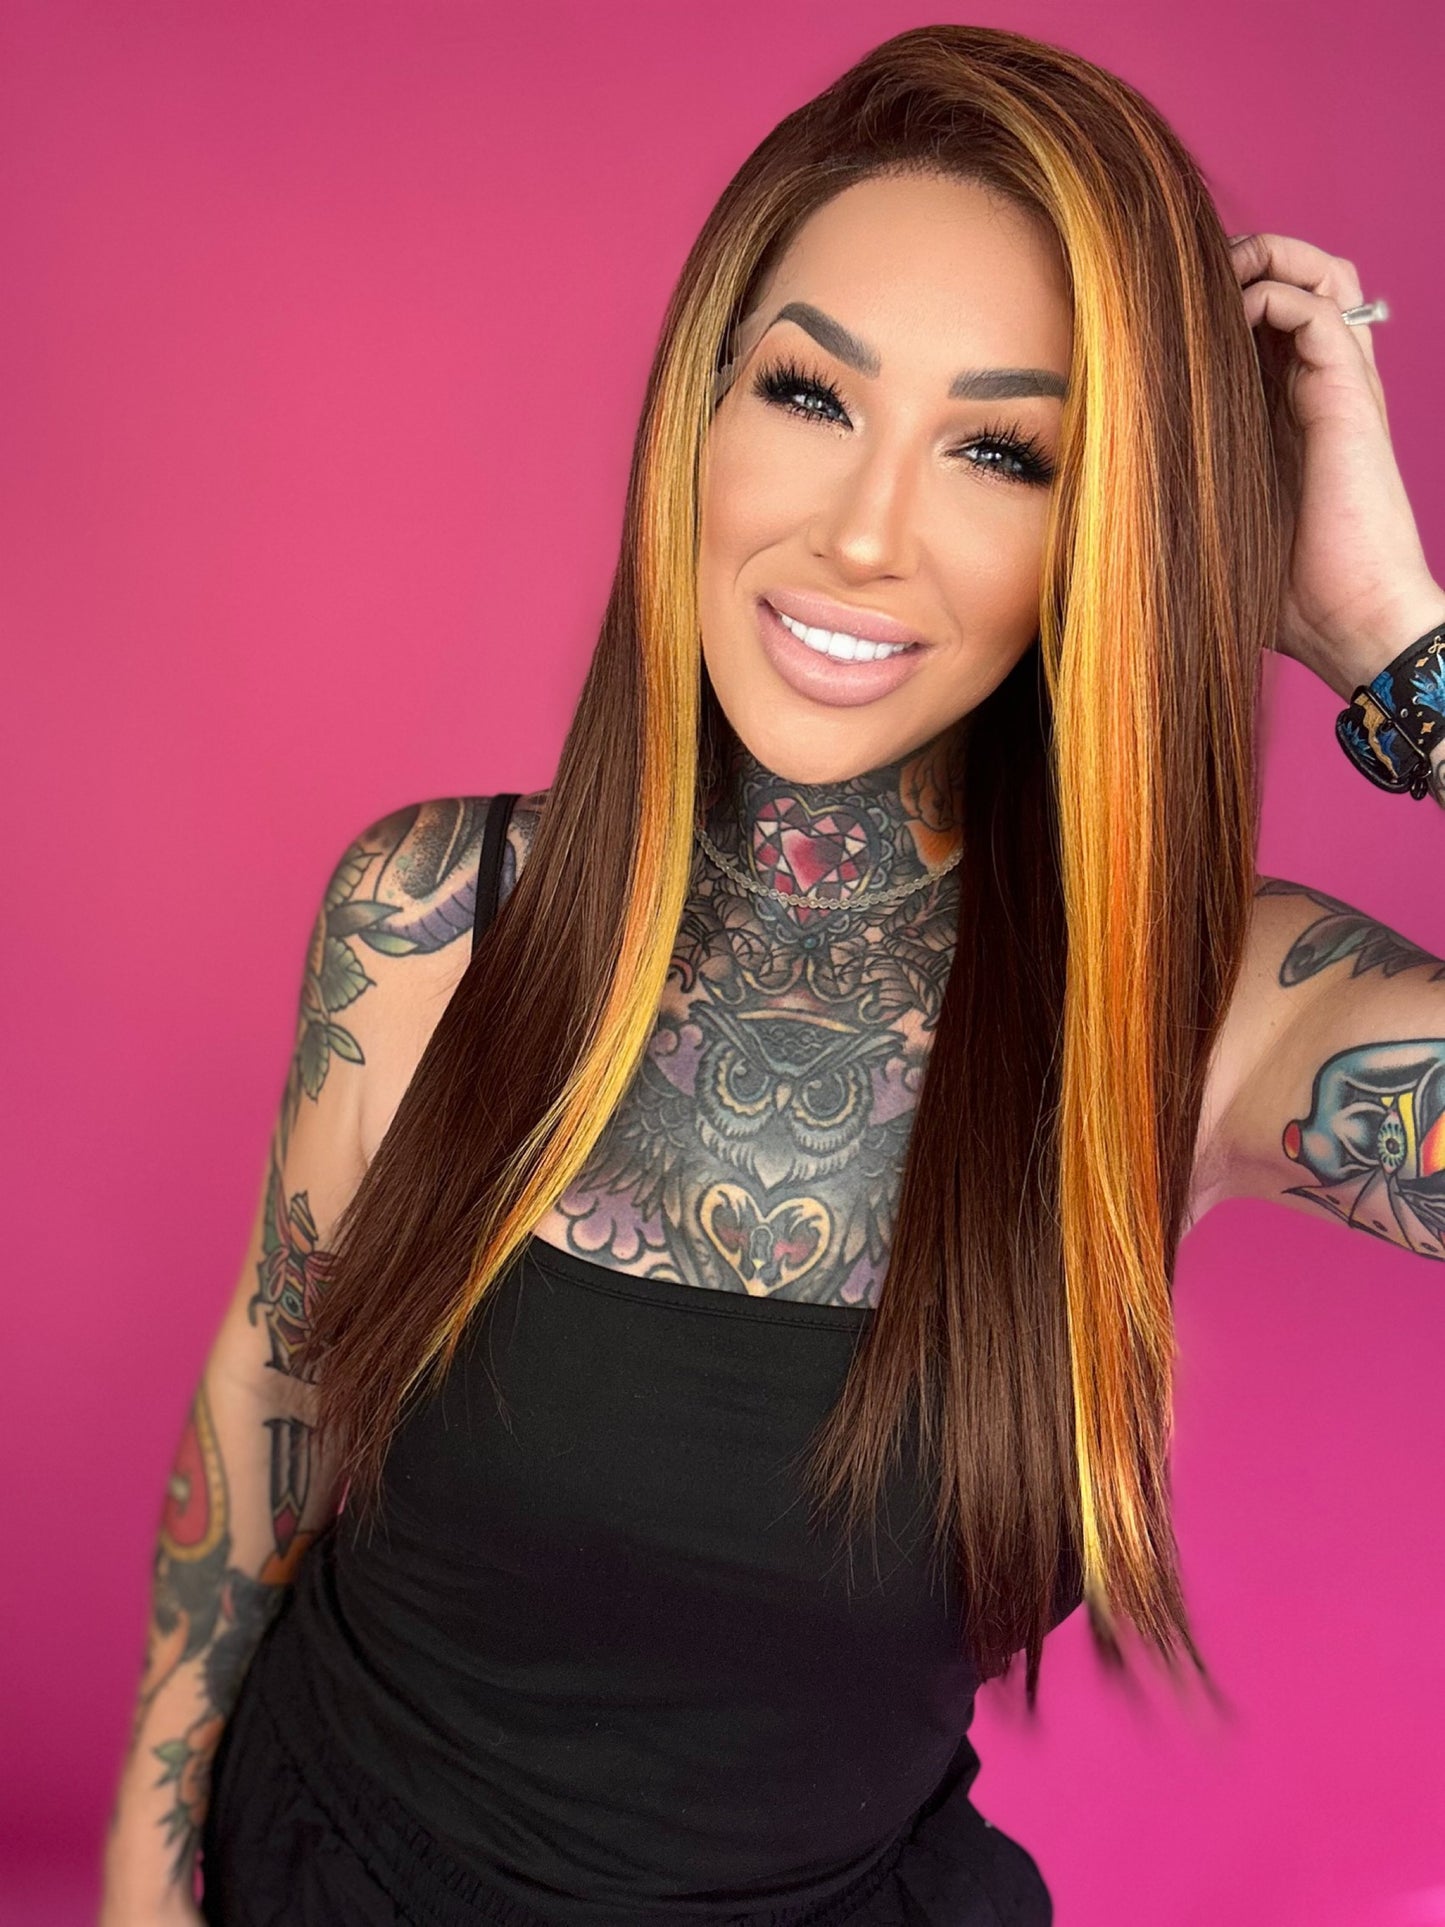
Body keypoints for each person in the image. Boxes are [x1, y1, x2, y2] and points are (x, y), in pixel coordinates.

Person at [99, 21, 1445, 1927]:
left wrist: (1399, 646)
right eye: (812, 395)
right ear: (702, 408)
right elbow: (278, 1375)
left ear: (1110, 523)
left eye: (1002, 450)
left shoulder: (1206, 1014)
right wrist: (144, 1865)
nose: (863, 533)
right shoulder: (431, 911)